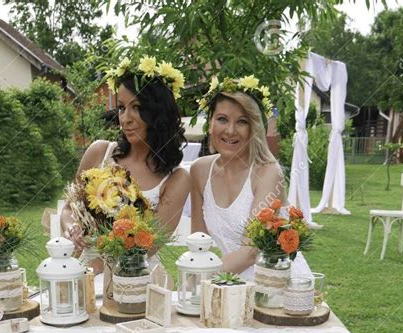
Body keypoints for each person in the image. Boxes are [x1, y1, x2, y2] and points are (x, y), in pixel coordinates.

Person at [61, 56, 190, 251]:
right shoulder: (99, 152)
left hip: (136, 275)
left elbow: (151, 246)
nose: (125, 118)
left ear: (158, 113)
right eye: (122, 108)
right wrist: (73, 228)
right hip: (85, 271)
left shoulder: (177, 179)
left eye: (136, 108)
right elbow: (69, 209)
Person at [190, 76, 286, 280]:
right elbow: (199, 242)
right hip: (227, 283)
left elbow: (250, 253)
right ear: (210, 123)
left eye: (242, 121)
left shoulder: (268, 173)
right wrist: (193, 283)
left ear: (254, 128)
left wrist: (198, 278)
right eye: (222, 119)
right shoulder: (199, 170)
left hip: (274, 286)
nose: (230, 130)